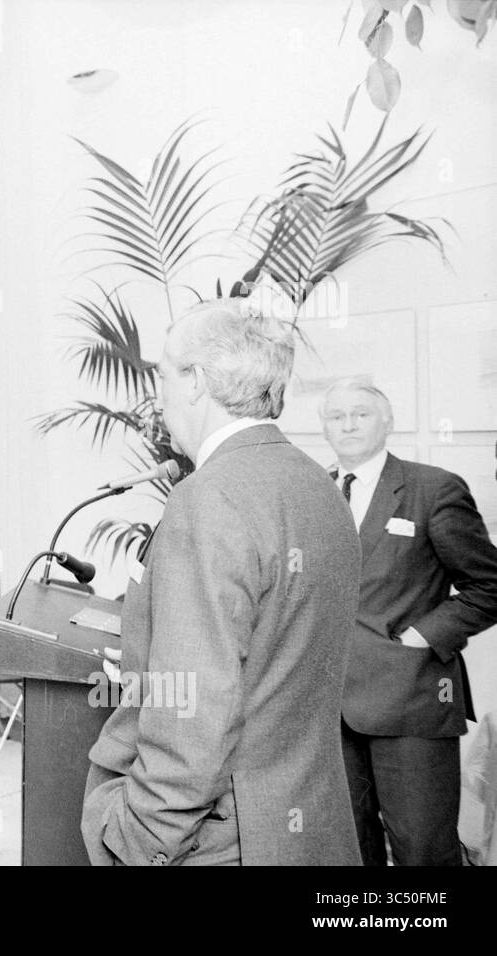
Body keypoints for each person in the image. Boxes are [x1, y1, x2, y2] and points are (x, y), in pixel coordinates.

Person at [80, 297, 363, 866]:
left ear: (196, 382)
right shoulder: (318, 486)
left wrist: (140, 840)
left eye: (161, 374)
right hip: (306, 827)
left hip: (220, 841)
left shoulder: (207, 499)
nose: (157, 396)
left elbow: (195, 707)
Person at [321, 379, 497, 866]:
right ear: (325, 427)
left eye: (361, 413)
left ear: (388, 422)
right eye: (337, 416)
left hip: (412, 699)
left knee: (423, 854)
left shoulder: (433, 488)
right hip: (330, 710)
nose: (349, 424)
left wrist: (423, 635)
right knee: (350, 850)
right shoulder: (315, 491)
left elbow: (490, 586)